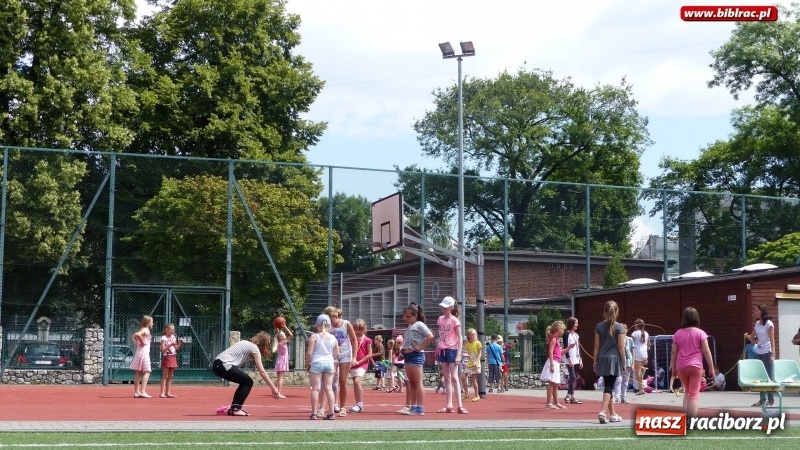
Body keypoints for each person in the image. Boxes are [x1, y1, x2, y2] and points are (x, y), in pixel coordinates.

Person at [211, 332, 280, 416]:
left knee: (244, 382)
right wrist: (273, 388)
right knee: (248, 382)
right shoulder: (255, 348)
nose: (267, 348)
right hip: (224, 364)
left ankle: (235, 408)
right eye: (267, 345)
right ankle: (236, 409)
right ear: (263, 344)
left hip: (217, 364)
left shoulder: (244, 342)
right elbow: (262, 371)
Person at [669, 307, 715, 417]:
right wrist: (711, 367)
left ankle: (685, 417)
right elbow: (707, 351)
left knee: (687, 392)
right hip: (695, 366)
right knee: (694, 394)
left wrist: (673, 366)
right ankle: (692, 419)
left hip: (682, 366)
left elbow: (674, 352)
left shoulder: (678, 334)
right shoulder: (701, 333)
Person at [398, 303, 434, 416]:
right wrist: (402, 353)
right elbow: (406, 342)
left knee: (417, 383)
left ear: (415, 315)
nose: (405, 318)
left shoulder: (419, 325)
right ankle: (413, 407)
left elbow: (430, 336)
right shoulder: (409, 327)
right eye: (404, 316)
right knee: (412, 383)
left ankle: (419, 407)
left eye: (408, 316)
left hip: (416, 356)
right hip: (408, 356)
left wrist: (421, 347)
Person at [593, 300, 626, 424]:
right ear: (616, 311)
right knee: (609, 386)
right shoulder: (620, 327)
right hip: (614, 359)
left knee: (608, 385)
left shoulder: (599, 326)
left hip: (602, 357)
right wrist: (624, 362)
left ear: (605, 311)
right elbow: (621, 346)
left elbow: (596, 345)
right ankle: (602, 411)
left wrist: (595, 361)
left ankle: (613, 414)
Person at [435, 296, 467, 414]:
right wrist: (438, 346)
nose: (443, 309)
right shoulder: (440, 319)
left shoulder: (455, 320)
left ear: (451, 308)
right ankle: (449, 405)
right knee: (446, 377)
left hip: (452, 350)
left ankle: (460, 405)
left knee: (454, 377)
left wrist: (459, 354)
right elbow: (440, 335)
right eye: (442, 307)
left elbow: (460, 338)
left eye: (445, 307)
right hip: (443, 350)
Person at [324, 306, 357, 416]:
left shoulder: (346, 324)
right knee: (329, 382)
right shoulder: (327, 327)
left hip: (345, 355)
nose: (331, 323)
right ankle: (328, 407)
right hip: (332, 356)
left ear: (335, 316)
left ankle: (342, 407)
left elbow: (354, 340)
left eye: (331, 320)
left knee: (343, 381)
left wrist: (354, 357)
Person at [306, 314, 339, 420]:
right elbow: (337, 354)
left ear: (317, 325)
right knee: (329, 388)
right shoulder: (333, 338)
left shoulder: (314, 336)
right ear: (329, 326)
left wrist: (308, 364)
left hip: (317, 362)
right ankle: (331, 413)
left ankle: (314, 413)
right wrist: (330, 358)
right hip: (329, 362)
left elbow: (309, 353)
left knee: (316, 388)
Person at [744, 304, 777, 407]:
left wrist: (773, 354)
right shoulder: (757, 324)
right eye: (754, 311)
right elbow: (753, 338)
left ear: (762, 311)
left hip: (767, 352)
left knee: (769, 376)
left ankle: (770, 400)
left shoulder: (769, 324)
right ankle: (762, 399)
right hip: (759, 352)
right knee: (761, 377)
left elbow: (772, 339)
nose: (755, 312)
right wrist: (747, 336)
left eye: (756, 311)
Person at [350, 319, 379, 413]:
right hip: (352, 364)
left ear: (364, 329)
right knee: (355, 383)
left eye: (360, 329)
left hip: (362, 364)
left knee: (357, 381)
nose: (358, 331)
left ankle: (360, 404)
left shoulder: (367, 340)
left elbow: (369, 354)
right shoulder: (351, 338)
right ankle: (358, 403)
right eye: (356, 329)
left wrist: (359, 362)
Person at [541, 320, 571, 409]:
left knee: (555, 384)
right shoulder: (553, 339)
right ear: (558, 329)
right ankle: (548, 403)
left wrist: (569, 348)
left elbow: (560, 352)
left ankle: (556, 402)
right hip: (553, 362)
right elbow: (550, 351)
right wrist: (552, 365)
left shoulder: (556, 339)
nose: (563, 331)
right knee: (552, 383)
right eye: (562, 329)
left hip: (556, 361)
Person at [130, 315, 154, 398]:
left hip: (139, 352)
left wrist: (138, 343)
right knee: (147, 371)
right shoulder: (145, 330)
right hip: (144, 353)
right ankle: (143, 391)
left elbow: (134, 335)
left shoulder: (143, 329)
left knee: (138, 372)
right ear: (147, 323)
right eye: (151, 322)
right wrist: (142, 343)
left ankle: (137, 392)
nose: (152, 324)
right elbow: (137, 334)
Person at [159, 323, 184, 398]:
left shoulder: (173, 337)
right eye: (171, 330)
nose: (173, 331)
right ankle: (162, 393)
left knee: (170, 376)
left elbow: (175, 348)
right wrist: (169, 345)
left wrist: (180, 343)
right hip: (167, 357)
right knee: (165, 375)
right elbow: (162, 350)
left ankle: (168, 392)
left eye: (173, 330)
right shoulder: (163, 338)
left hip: (173, 357)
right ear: (166, 330)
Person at [564, 317, 583, 404]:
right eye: (576, 323)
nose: (577, 325)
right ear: (571, 324)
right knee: (572, 376)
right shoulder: (566, 334)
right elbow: (565, 347)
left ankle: (569, 395)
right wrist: (569, 359)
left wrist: (581, 359)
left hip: (576, 359)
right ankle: (572, 396)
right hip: (570, 359)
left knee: (574, 376)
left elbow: (578, 348)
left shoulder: (576, 335)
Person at [272, 324, 293, 399]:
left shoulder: (278, 342)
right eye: (284, 335)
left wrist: (276, 328)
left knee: (278, 378)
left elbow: (278, 334)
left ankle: (274, 391)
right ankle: (279, 393)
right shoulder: (284, 342)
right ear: (283, 337)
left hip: (279, 361)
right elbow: (291, 334)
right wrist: (285, 327)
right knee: (281, 378)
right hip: (283, 362)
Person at [614, 323, 632, 404]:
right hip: (619, 362)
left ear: (627, 330)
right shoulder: (617, 339)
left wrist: (633, 364)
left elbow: (633, 352)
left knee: (626, 380)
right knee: (618, 379)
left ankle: (623, 396)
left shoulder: (630, 339)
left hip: (628, 361)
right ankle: (617, 397)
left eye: (624, 330)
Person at [631, 318, 650, 395]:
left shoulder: (635, 333)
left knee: (637, 371)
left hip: (638, 354)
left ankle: (640, 389)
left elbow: (630, 342)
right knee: (639, 371)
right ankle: (641, 386)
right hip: (644, 354)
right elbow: (649, 345)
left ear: (636, 325)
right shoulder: (646, 333)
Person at [464, 328, 482, 402]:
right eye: (473, 334)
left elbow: (480, 354)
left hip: (475, 364)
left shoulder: (478, 343)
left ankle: (477, 396)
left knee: (473, 380)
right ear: (469, 336)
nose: (474, 335)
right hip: (469, 363)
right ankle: (466, 393)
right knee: (462, 376)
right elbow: (469, 353)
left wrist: (476, 361)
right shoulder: (468, 344)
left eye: (475, 334)